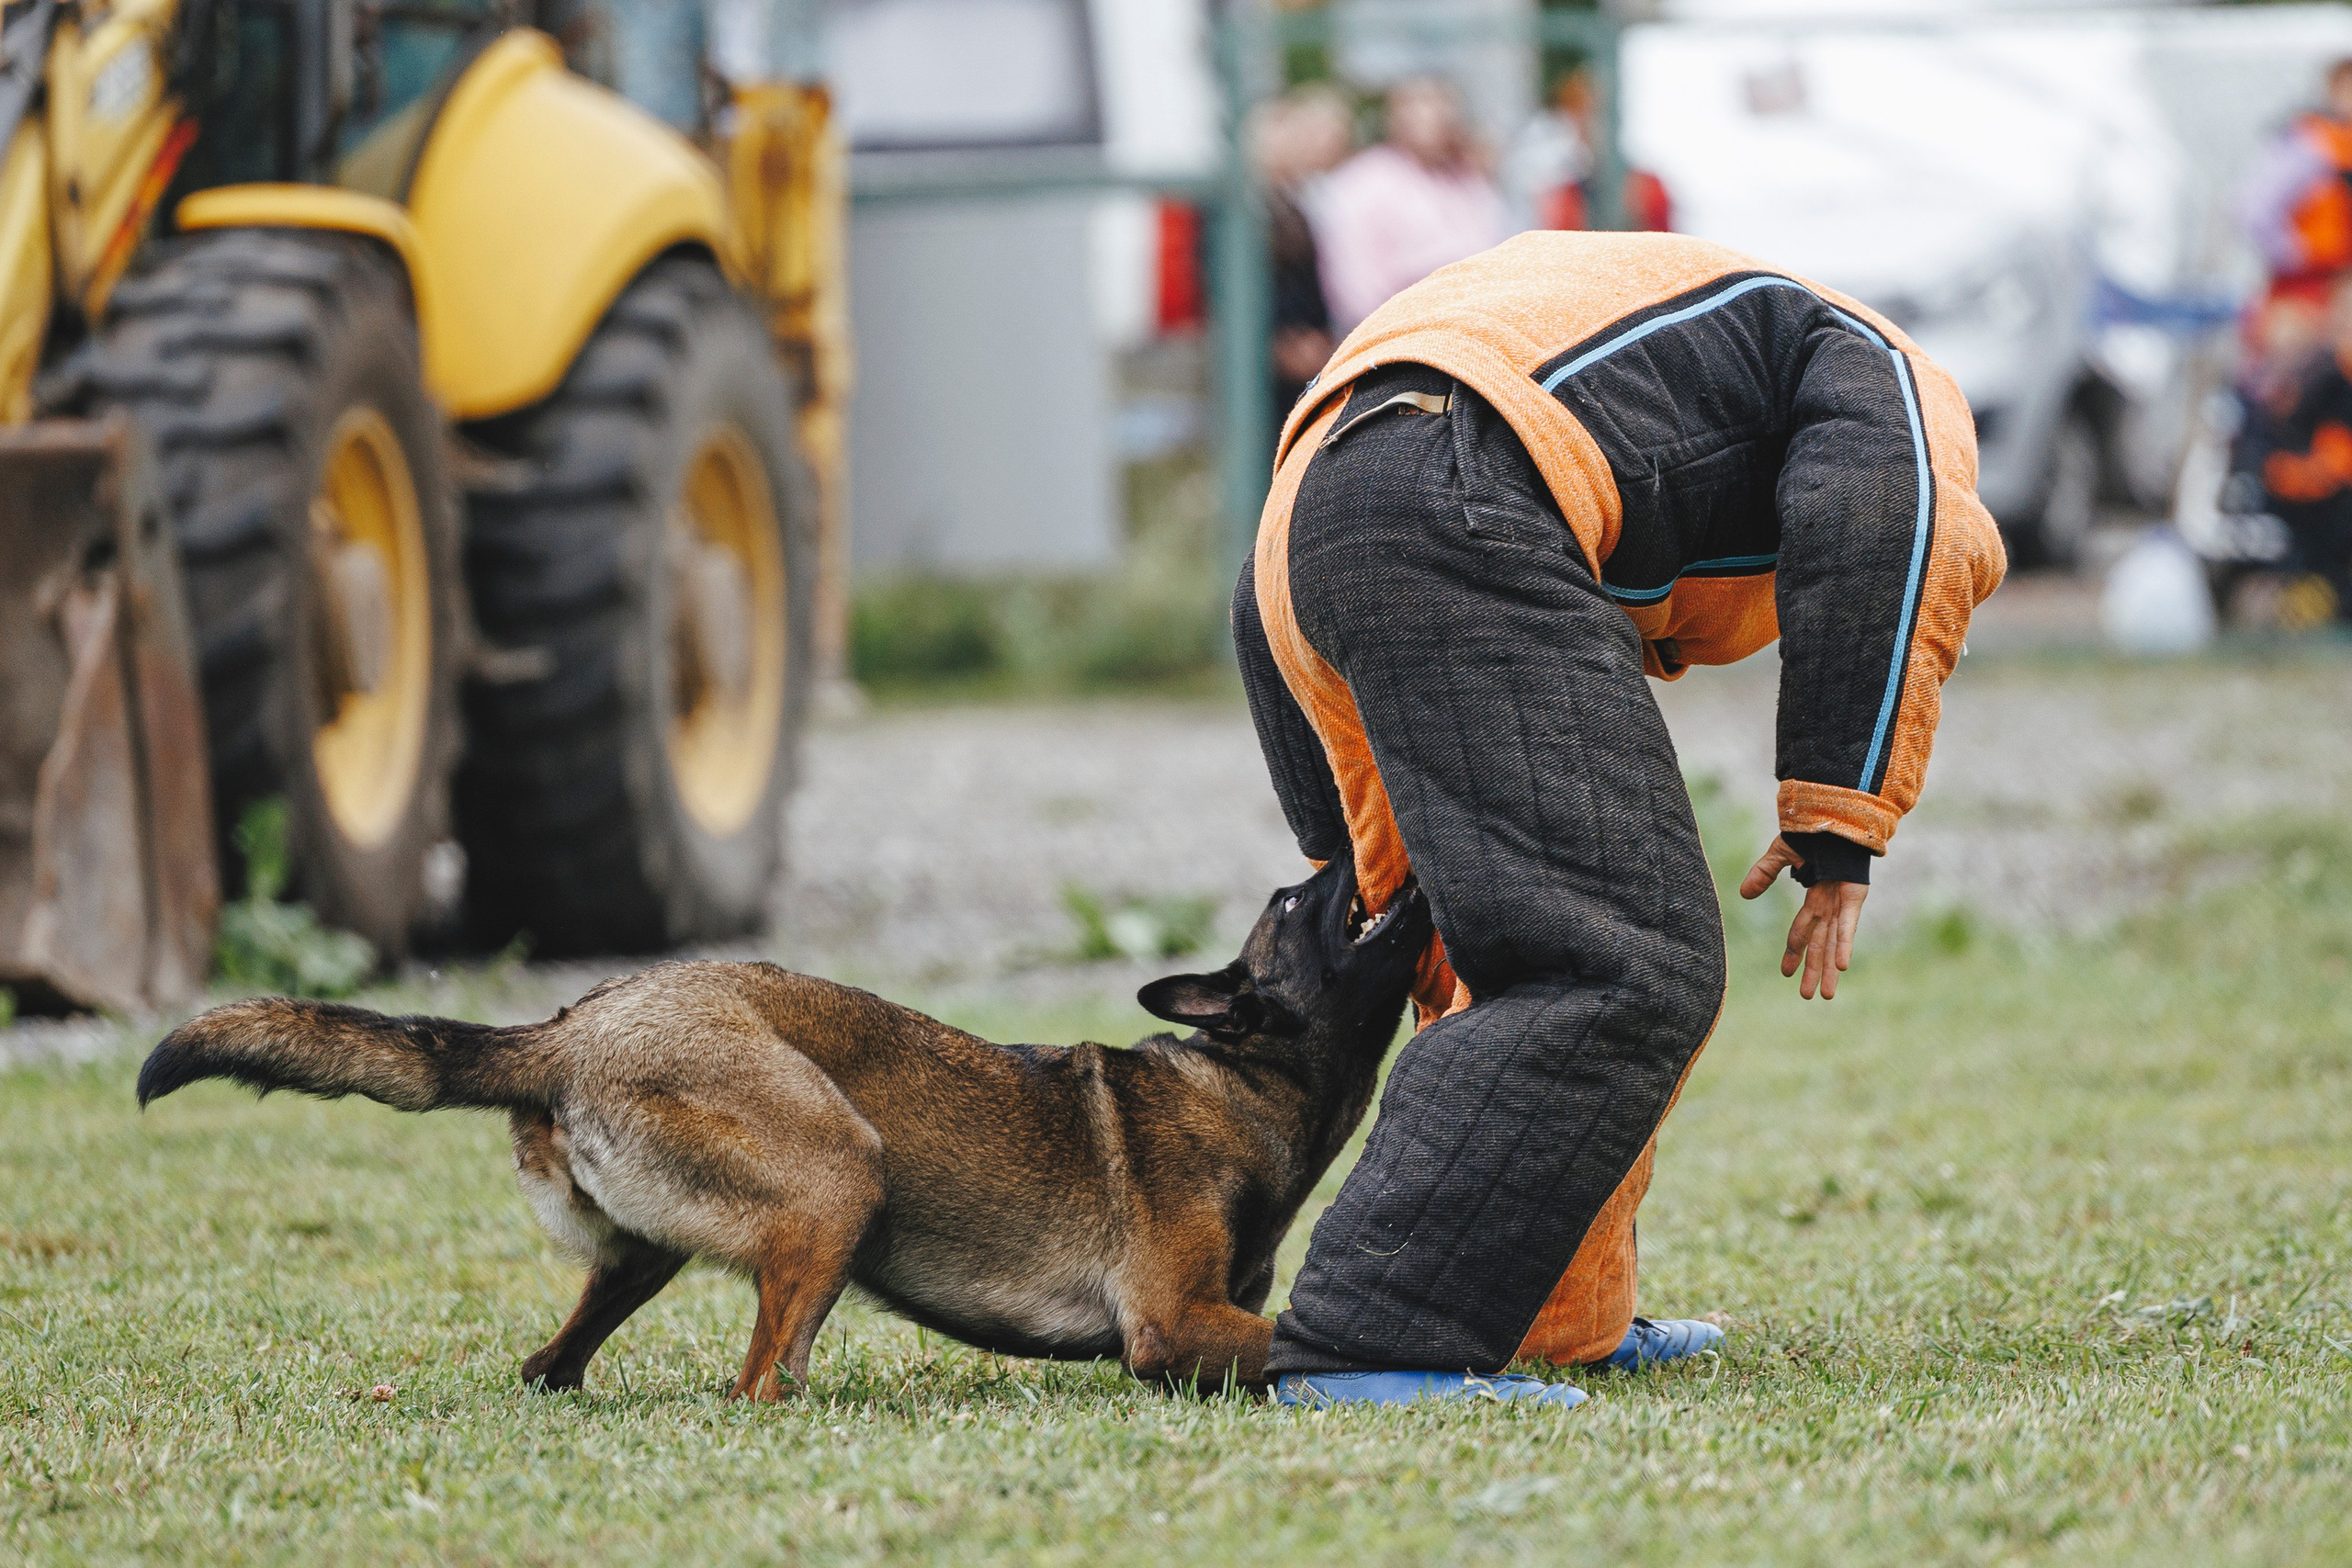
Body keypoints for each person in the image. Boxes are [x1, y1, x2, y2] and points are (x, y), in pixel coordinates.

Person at [1233, 230, 2005, 1407]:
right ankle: (1371, 1343)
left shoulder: (1687, 338)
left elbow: (1298, 544)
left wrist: (1343, 859)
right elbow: (1888, 529)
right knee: (1616, 963)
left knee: (1487, 953)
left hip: (1311, 517)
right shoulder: (1891, 380)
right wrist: (1839, 820)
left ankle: (1554, 1322)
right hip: (1467, 497)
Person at [1312, 76, 1512, 335]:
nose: (1436, 117)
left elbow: (1499, 251)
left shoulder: (1470, 181)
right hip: (1398, 339)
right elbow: (1356, 288)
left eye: (1443, 106)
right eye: (1421, 105)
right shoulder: (1363, 182)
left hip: (1475, 332)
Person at [2237, 58, 2352, 370]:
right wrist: (2297, 252)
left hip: (2340, 284)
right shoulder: (2309, 144)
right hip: (2305, 283)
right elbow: (2253, 209)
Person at [1255, 88, 1356, 441]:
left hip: (1306, 347)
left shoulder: (1297, 202)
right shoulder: (1244, 210)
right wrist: (1279, 342)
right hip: (1266, 360)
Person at [1505, 65, 1673, 235]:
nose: (1591, 121)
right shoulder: (1562, 180)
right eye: (1582, 111)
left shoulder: (1646, 184)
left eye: (1600, 111)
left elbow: (1664, 240)